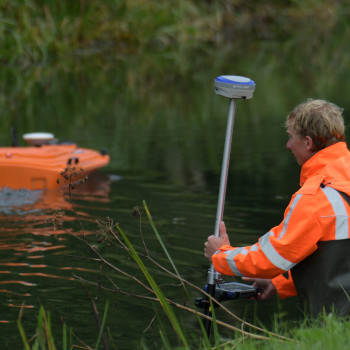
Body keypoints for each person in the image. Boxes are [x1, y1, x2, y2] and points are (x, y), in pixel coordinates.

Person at [204, 99, 350, 317]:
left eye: (291, 137)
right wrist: (281, 282)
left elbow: (270, 258)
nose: (288, 145)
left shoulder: (315, 197)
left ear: (308, 143)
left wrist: (221, 255)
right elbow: (339, 259)